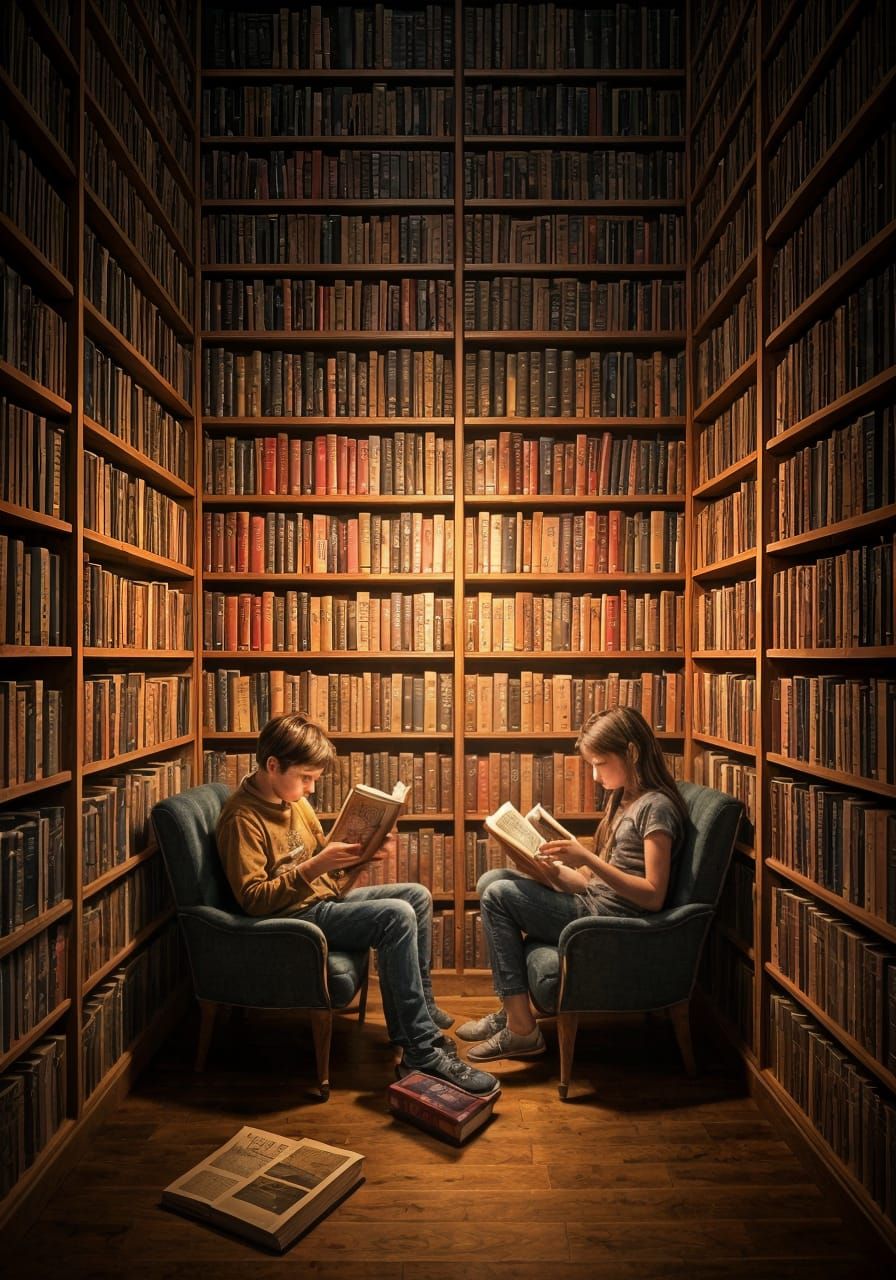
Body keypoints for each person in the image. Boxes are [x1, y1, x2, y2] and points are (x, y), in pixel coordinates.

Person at [216, 711, 498, 1095]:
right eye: (306, 778)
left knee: (415, 896)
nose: (311, 790)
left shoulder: (291, 800)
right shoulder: (242, 819)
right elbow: (253, 900)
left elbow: (325, 868)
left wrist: (363, 855)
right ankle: (420, 1048)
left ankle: (422, 1010)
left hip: (320, 901)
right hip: (295, 921)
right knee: (395, 916)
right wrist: (316, 866)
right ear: (272, 765)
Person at [457, 705, 688, 1062]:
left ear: (632, 752)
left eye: (599, 763)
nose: (595, 776)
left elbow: (654, 896)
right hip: (592, 901)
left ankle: (521, 1029)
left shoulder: (655, 807)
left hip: (608, 923)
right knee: (493, 880)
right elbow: (586, 882)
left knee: (499, 895)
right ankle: (513, 1010)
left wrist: (588, 858)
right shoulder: (622, 798)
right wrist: (540, 865)